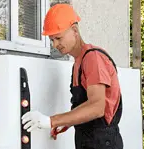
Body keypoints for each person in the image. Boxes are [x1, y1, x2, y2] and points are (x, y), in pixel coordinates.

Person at [20, 3, 123, 149]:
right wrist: (67, 122)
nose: (55, 45)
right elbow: (84, 106)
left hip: (102, 143)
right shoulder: (78, 63)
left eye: (58, 38)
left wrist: (51, 121)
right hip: (88, 141)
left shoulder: (93, 58)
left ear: (74, 30)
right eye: (51, 40)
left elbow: (97, 107)